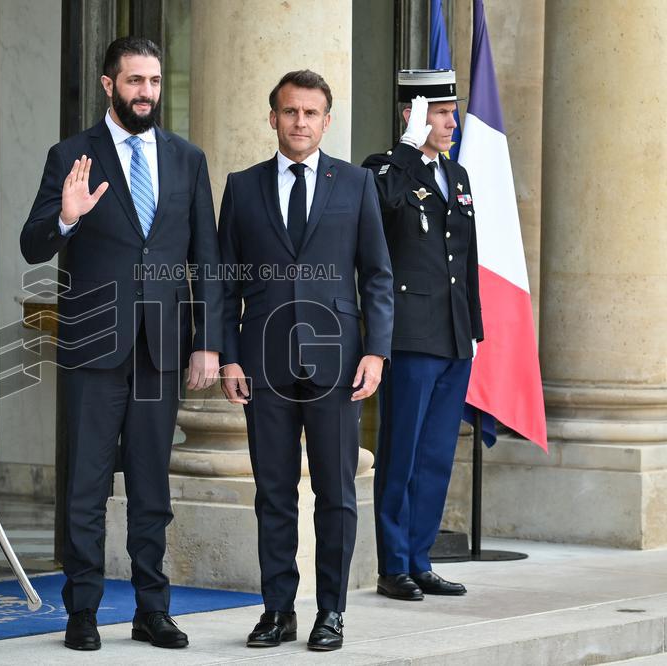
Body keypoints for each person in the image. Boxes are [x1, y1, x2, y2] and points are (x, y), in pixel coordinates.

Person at [21, 36, 222, 652]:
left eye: (155, 82)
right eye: (135, 81)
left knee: (150, 485)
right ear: (109, 84)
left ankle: (151, 609)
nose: (147, 93)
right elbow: (33, 245)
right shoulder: (70, 155)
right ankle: (81, 610)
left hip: (162, 347)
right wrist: (67, 216)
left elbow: (207, 261)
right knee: (85, 483)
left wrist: (207, 343)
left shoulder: (187, 159)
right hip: (92, 345)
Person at [218, 70, 393, 652]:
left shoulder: (357, 185)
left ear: (326, 119)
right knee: (273, 492)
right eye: (290, 112)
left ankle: (332, 612)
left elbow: (377, 275)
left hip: (338, 365)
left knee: (336, 493)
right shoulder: (242, 188)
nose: (300, 123)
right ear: (273, 118)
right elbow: (224, 283)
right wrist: (229, 358)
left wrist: (376, 350)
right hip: (263, 364)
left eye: (311, 113)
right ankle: (277, 610)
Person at [362, 69, 483, 601]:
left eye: (451, 111)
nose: (450, 122)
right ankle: (393, 564)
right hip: (410, 337)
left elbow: (467, 258)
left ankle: (420, 557)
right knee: (402, 451)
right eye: (439, 112)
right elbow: (380, 206)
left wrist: (474, 325)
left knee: (436, 454)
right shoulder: (385, 169)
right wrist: (409, 145)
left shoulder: (457, 175)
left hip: (455, 335)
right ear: (411, 116)